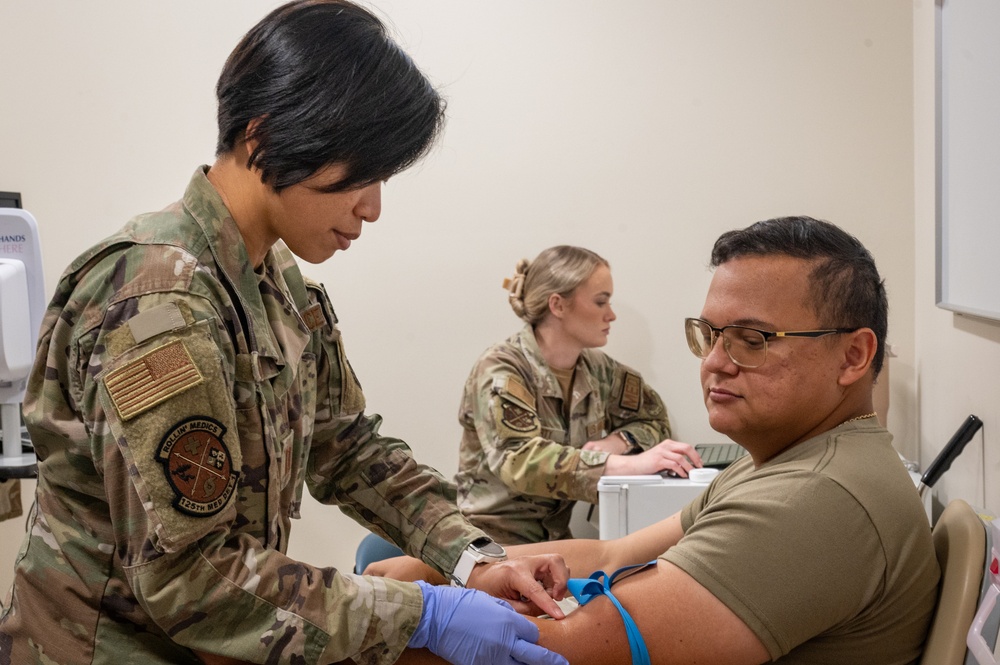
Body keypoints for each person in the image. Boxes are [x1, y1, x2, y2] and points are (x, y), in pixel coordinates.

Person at [0, 3, 572, 664]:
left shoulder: (276, 284)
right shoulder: (158, 303)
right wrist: (423, 612)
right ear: (265, 137)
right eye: (364, 172)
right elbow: (193, 576)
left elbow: (349, 447)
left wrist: (472, 558)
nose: (373, 206)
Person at [372, 216, 941, 664]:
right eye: (711, 335)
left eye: (752, 339)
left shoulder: (815, 497)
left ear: (854, 356)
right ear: (557, 306)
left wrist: (388, 616)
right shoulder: (784, 462)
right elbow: (610, 553)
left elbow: (565, 648)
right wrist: (451, 569)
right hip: (496, 527)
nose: (715, 362)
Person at [455, 246, 702, 544]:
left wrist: (616, 442)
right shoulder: (501, 369)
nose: (611, 315)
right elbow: (518, 461)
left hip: (556, 543)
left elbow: (653, 419)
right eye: (601, 302)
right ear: (558, 305)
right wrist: (630, 465)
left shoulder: (598, 370)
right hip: (489, 546)